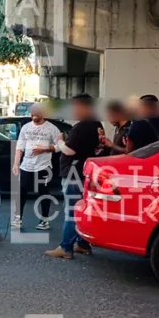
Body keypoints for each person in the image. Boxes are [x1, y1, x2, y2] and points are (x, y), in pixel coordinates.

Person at [45, 94, 100, 259]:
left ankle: (66, 247)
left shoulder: (83, 127)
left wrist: (60, 141)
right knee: (81, 209)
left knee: (72, 211)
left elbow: (69, 150)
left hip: (73, 173)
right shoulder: (96, 124)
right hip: (84, 172)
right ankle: (82, 244)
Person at [12, 103, 60, 231]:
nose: (34, 115)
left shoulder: (51, 128)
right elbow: (19, 147)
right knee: (21, 192)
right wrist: (16, 164)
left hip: (44, 166)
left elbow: (59, 146)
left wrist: (44, 149)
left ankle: (44, 220)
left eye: (37, 113)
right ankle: (18, 218)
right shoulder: (26, 128)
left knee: (43, 193)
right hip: (26, 166)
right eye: (32, 113)